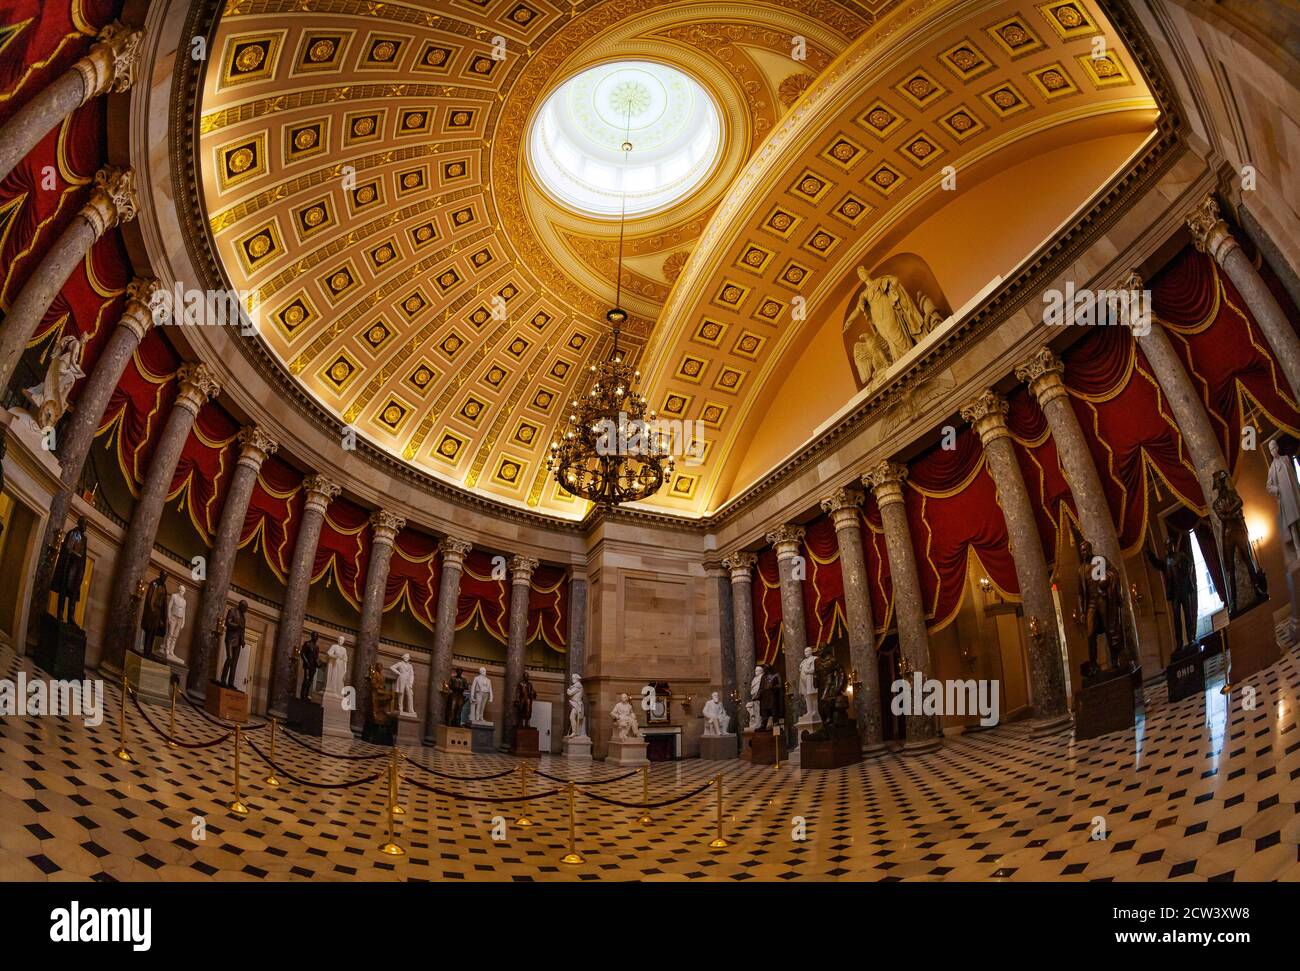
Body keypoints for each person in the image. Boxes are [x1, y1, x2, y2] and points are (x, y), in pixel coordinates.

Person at [51, 516, 88, 625]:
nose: (85, 527)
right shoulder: (72, 533)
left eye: (86, 525)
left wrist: (82, 570)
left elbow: (83, 555)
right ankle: (60, 613)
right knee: (64, 589)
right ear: (80, 523)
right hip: (70, 565)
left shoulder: (84, 539)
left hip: (78, 567)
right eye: (84, 524)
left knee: (73, 592)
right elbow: (68, 549)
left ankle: (71, 616)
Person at [220, 600, 248, 689]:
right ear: (241, 606)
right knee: (229, 658)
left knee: (234, 663)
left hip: (238, 642)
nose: (245, 610)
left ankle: (230, 683)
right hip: (230, 639)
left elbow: (242, 630)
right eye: (244, 608)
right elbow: (227, 623)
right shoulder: (232, 611)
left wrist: (243, 640)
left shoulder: (243, 617)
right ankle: (223, 680)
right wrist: (236, 625)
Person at [140, 575, 169, 659]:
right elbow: (150, 597)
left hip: (158, 612)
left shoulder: (164, 586)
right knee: (149, 630)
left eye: (166, 578)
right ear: (161, 575)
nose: (165, 579)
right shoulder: (154, 583)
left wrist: (162, 616)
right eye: (164, 577)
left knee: (154, 632)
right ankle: (146, 650)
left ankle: (149, 651)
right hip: (153, 610)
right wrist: (152, 609)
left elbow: (164, 601)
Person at [162, 587, 187, 662]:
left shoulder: (184, 601)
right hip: (173, 617)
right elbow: (169, 607)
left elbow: (184, 612)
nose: (182, 592)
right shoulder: (174, 596)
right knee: (170, 633)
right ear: (179, 590)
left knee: (175, 636)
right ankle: (167, 649)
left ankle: (171, 651)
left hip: (180, 619)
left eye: (183, 591)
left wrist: (183, 622)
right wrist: (169, 617)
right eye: (181, 590)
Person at [298, 632, 320, 699]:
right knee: (306, 679)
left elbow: (316, 657)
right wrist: (306, 661)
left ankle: (307, 694)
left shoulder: (317, 647)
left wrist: (318, 664)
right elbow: (302, 653)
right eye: (314, 636)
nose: (315, 637)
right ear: (312, 636)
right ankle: (302, 695)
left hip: (313, 666)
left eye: (316, 636)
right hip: (307, 665)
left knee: (310, 681)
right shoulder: (307, 643)